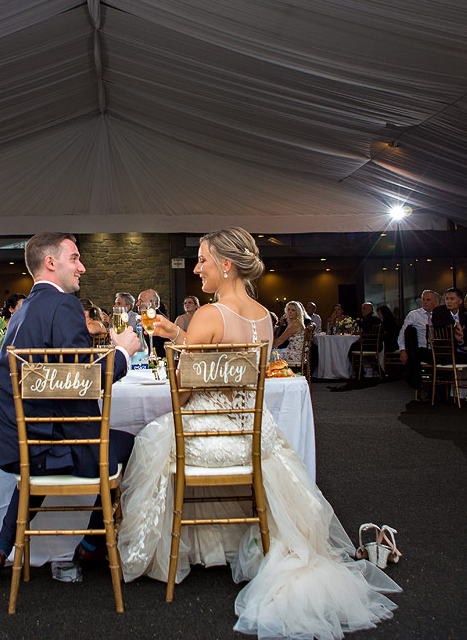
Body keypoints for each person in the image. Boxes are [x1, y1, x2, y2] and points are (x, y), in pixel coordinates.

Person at [121, 227, 399, 637]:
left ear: (226, 265)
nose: (197, 268)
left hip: (207, 440)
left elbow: (183, 394)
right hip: (252, 436)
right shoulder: (264, 317)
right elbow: (223, 359)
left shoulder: (208, 315)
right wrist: (178, 335)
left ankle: (183, 548)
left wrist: (177, 353)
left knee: (149, 441)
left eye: (202, 260)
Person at [0, 233, 140, 580]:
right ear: (51, 263)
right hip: (56, 444)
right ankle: (91, 547)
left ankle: (3, 545)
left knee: (38, 468)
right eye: (75, 258)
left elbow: (42, 375)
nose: (82, 266)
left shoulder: (21, 313)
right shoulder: (64, 305)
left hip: (21, 444)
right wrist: (124, 351)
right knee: (132, 444)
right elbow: (83, 381)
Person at [397, 290, 439, 389]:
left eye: (428, 300)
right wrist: (403, 350)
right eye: (423, 299)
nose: (425, 302)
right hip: (421, 350)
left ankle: (440, 389)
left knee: (444, 357)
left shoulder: (439, 315)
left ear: (436, 302)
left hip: (437, 349)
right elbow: (403, 333)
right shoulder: (414, 315)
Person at [271, 300, 309, 365]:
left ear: (297, 312)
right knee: (273, 352)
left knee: (269, 355)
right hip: (292, 351)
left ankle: (270, 373)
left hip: (295, 355)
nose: (290, 312)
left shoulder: (296, 324)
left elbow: (280, 340)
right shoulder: (293, 323)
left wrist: (267, 346)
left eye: (293, 310)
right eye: (288, 309)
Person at [138, 289, 170, 357]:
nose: (137, 304)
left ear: (151, 302)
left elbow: (150, 344)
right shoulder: (146, 317)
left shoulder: (158, 319)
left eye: (140, 301)